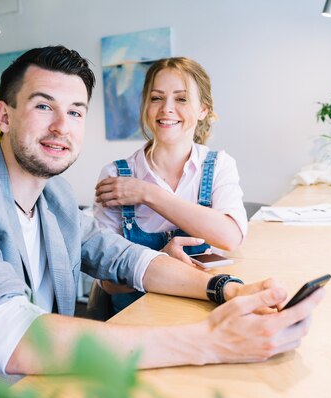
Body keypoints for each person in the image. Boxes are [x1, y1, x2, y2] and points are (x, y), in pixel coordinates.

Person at [0, 46, 324, 398]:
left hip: (31, 397)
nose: (60, 126)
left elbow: (128, 260)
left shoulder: (57, 199)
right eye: (43, 106)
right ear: (4, 116)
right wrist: (209, 341)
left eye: (75, 111)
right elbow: (10, 334)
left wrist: (227, 288)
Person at [94, 57, 247, 311]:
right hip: (134, 320)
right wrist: (162, 260)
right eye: (156, 98)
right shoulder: (115, 175)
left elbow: (230, 237)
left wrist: (147, 193)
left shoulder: (220, 164)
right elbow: (108, 281)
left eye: (181, 98)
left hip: (201, 311)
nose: (166, 108)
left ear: (203, 110)